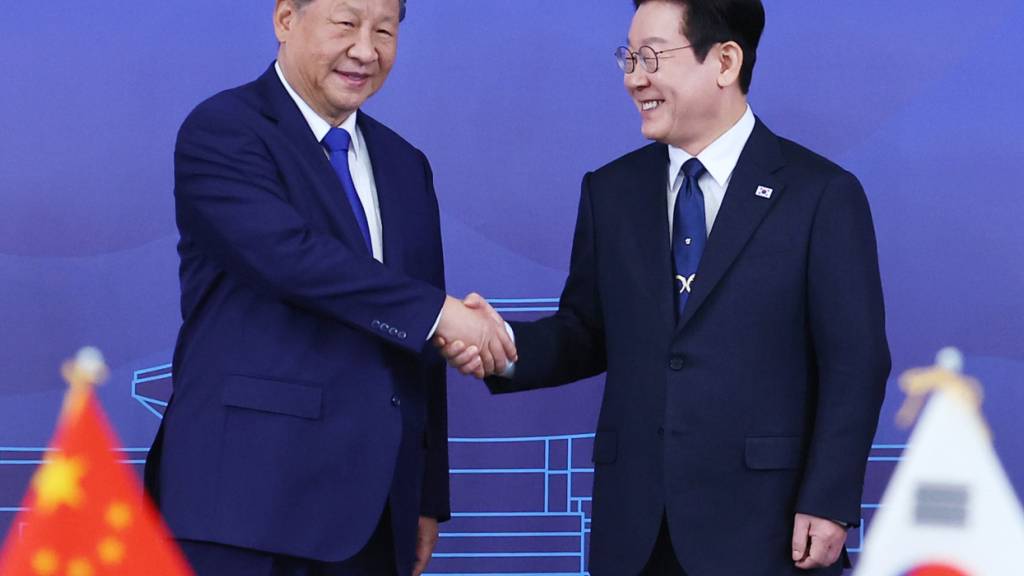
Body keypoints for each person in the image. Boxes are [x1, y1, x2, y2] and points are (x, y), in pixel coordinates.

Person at [437, 0, 890, 574]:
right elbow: (586, 332)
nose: (634, 78)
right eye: (628, 58)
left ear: (725, 61)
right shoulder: (612, 191)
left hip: (765, 526)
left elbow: (856, 363)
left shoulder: (820, 194)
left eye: (651, 57)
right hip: (636, 528)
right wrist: (499, 345)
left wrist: (828, 500)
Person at [143, 1, 516, 574]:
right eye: (346, 23)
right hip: (246, 508)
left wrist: (424, 496)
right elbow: (289, 258)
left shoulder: (404, 163)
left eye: (384, 31)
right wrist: (442, 315)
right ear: (285, 19)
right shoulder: (224, 129)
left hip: (373, 514)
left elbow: (418, 345)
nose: (366, 50)